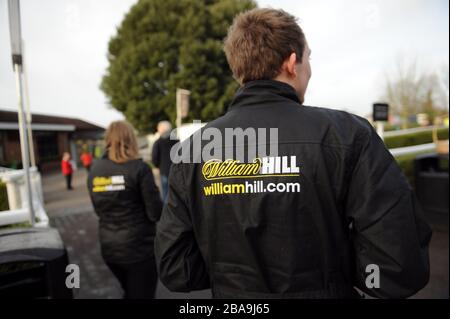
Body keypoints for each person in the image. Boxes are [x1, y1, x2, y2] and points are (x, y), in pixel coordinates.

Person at [155, 8, 432, 298]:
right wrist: (332, 271)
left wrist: (235, 277)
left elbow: (176, 268)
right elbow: (398, 265)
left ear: (239, 71)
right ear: (291, 63)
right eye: (308, 57)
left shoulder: (194, 150)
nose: (309, 68)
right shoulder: (348, 134)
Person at [87, 121, 163, 299]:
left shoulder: (95, 170)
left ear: (108, 140)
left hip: (110, 249)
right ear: (131, 139)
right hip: (139, 250)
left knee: (130, 291)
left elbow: (98, 210)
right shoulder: (139, 168)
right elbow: (155, 212)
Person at [151, 121, 178, 202]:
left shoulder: (158, 142)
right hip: (176, 171)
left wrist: (157, 166)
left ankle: (167, 212)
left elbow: (154, 158)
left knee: (166, 193)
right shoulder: (176, 141)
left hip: (164, 171)